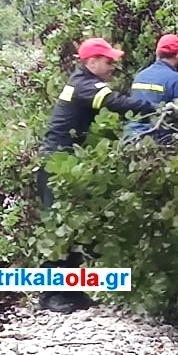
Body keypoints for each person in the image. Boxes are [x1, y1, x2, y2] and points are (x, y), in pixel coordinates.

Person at [37, 37, 158, 314]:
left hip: (67, 162)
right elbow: (115, 103)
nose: (113, 65)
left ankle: (73, 291)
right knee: (59, 228)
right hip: (56, 163)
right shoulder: (85, 85)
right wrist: (157, 109)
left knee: (75, 227)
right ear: (91, 62)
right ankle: (51, 295)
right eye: (108, 61)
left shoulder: (85, 82)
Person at [123, 34, 178, 143]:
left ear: (157, 53)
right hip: (158, 140)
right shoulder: (176, 80)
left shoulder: (140, 76)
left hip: (131, 137)